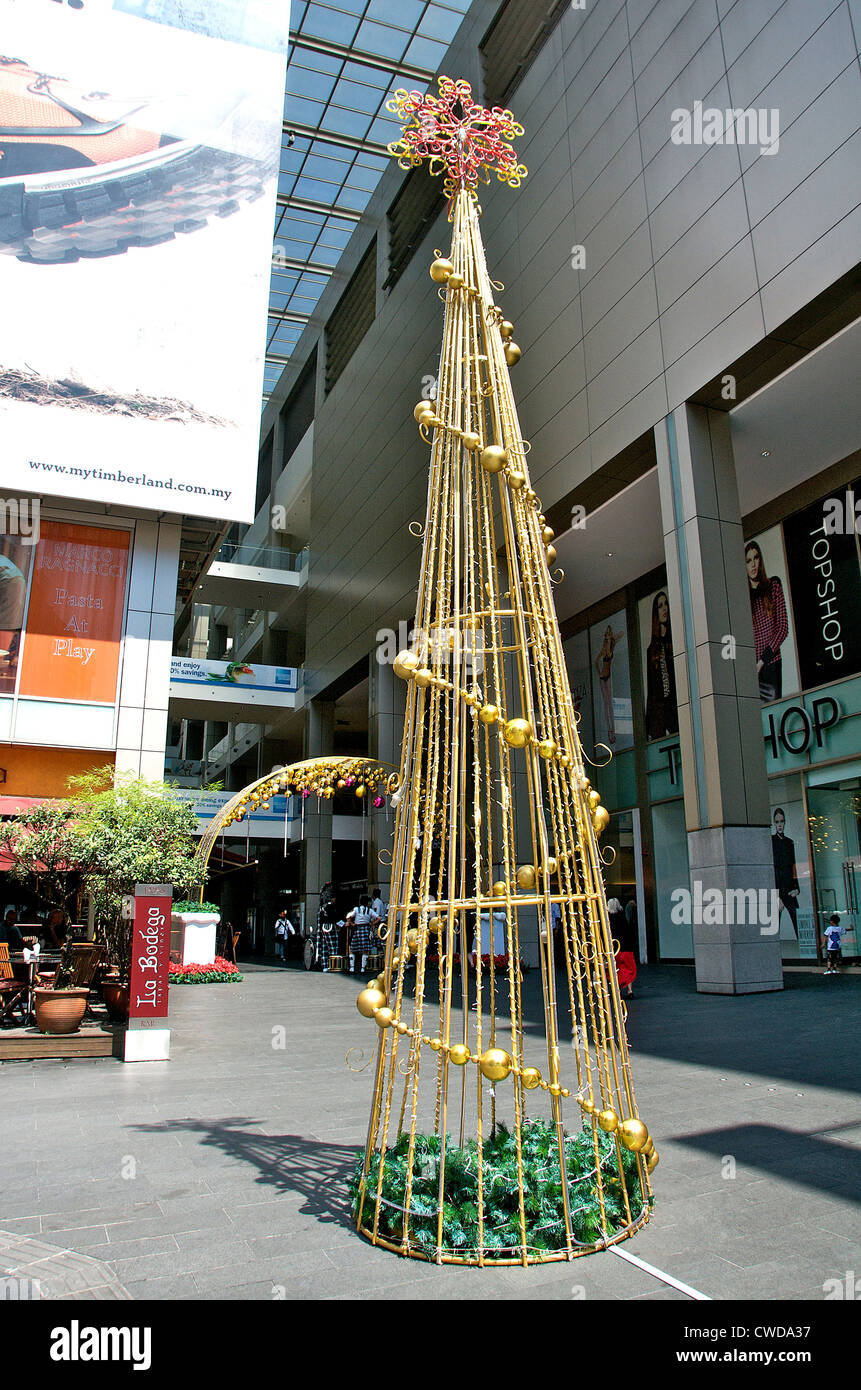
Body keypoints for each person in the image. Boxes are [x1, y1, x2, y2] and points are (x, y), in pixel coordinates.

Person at [745, 540, 788, 703]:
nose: (753, 564)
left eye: (756, 558)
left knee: (774, 713)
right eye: (748, 561)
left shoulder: (773, 585)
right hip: (751, 671)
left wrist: (762, 660)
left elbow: (783, 628)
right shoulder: (744, 598)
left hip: (771, 663)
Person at [644, 590, 678, 739]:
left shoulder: (675, 642)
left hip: (675, 706)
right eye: (660, 606)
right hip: (659, 711)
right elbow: (651, 691)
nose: (664, 609)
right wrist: (647, 726)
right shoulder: (652, 650)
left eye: (666, 605)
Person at [594, 624, 625, 745]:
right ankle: (609, 730)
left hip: (608, 676)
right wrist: (598, 672)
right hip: (603, 677)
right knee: (606, 704)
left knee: (610, 704)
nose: (608, 637)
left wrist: (611, 638)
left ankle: (613, 729)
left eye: (608, 634)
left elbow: (621, 633)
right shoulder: (603, 651)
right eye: (606, 635)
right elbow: (596, 662)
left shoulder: (612, 647)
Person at [771, 808, 799, 938]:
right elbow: (771, 869)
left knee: (798, 921)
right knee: (773, 927)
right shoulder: (771, 841)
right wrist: (776, 896)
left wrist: (796, 888)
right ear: (774, 823)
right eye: (777, 822)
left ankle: (808, 950)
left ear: (785, 822)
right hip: (778, 889)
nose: (780, 824)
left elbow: (793, 866)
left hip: (789, 889)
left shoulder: (789, 842)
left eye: (782, 821)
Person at [607, 897, 637, 999]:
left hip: (614, 949)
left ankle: (617, 990)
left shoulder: (607, 919)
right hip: (626, 947)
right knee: (628, 969)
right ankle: (630, 990)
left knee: (615, 970)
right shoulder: (623, 917)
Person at [348, 896, 376, 975]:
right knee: (365, 950)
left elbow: (348, 917)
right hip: (366, 929)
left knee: (352, 949)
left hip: (357, 929)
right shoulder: (369, 910)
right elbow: (379, 918)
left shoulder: (356, 909)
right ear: (367, 903)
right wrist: (372, 923)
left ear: (360, 902)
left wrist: (352, 924)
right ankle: (363, 969)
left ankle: (352, 968)